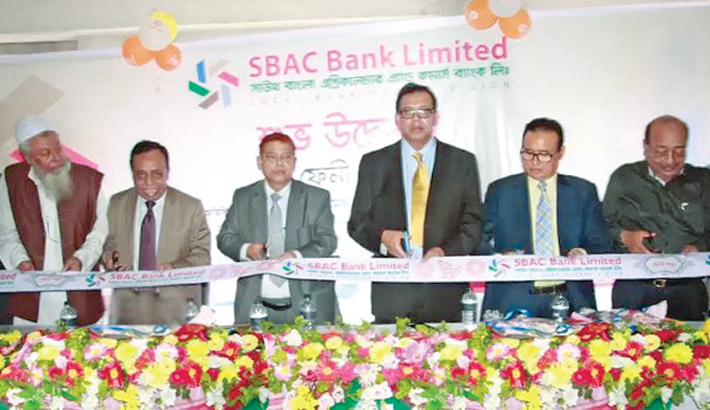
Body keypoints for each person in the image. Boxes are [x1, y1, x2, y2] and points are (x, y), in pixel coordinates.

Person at [348, 82, 482, 323]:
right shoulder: (374, 163)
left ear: (435, 117)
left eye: (424, 111)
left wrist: (445, 251)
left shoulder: (462, 162)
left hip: (445, 286)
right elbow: (357, 223)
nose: (416, 119)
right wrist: (382, 237)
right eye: (408, 112)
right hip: (392, 291)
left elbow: (473, 224)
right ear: (397, 119)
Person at [480, 118, 611, 317]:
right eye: (527, 153)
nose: (534, 162)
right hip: (513, 300)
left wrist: (581, 253)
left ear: (560, 153)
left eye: (544, 155)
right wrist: (500, 258)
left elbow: (601, 242)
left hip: (570, 299)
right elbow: (479, 242)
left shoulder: (583, 192)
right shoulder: (500, 191)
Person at [217, 132, 337, 324]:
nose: (279, 164)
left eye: (286, 157)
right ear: (260, 162)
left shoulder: (317, 197)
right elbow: (225, 238)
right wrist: (246, 250)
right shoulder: (243, 197)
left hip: (307, 303)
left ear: (294, 162)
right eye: (272, 157)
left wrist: (296, 255)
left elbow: (327, 241)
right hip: (255, 305)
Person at [0, 115, 108, 326]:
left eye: (58, 147)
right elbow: (5, 232)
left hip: (80, 295)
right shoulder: (11, 180)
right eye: (45, 153)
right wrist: (21, 262)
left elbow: (102, 231)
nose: (57, 157)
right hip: (31, 299)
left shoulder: (90, 180)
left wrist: (81, 259)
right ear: (27, 157)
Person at [603, 115, 710, 321]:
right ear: (645, 146)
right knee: (625, 341)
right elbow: (600, 226)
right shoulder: (624, 178)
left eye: (679, 151)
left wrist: (700, 246)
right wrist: (625, 237)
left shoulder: (705, 181)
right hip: (634, 287)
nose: (670, 160)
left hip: (687, 289)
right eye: (661, 152)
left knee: (692, 341)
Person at [102, 141, 211, 324]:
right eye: (141, 175)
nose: (149, 183)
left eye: (157, 174)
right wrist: (109, 257)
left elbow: (202, 258)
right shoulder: (116, 203)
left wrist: (174, 268)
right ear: (132, 174)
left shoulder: (191, 207)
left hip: (177, 310)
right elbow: (109, 243)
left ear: (168, 172)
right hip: (127, 311)